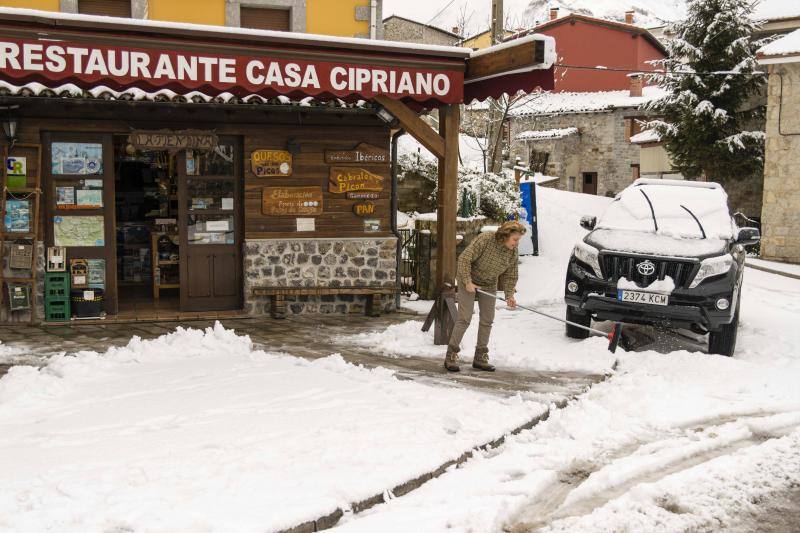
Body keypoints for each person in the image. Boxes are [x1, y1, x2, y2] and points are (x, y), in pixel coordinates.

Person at [445, 220, 526, 372]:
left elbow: (511, 274)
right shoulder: (486, 239)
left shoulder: (512, 251)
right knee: (465, 318)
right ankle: (451, 354)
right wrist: (468, 281)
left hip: (488, 283)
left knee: (487, 319)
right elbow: (464, 259)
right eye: (515, 239)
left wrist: (510, 295)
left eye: (518, 240)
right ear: (505, 235)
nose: (516, 243)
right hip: (467, 279)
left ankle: (480, 357)